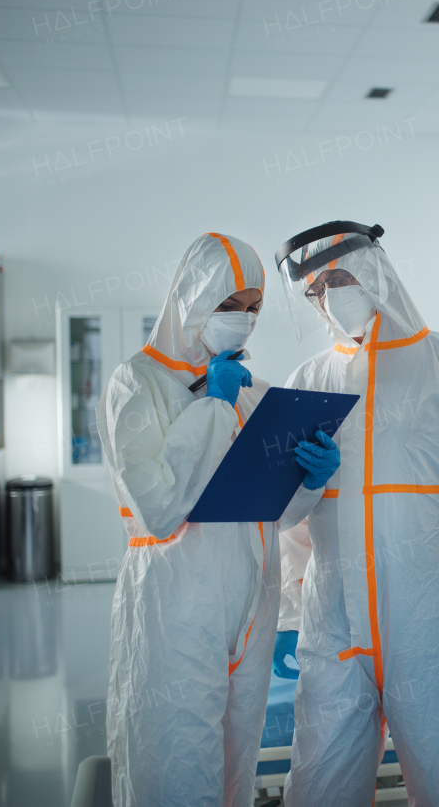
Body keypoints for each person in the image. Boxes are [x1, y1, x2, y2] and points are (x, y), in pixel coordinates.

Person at [271, 221, 439, 807]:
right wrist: (289, 614)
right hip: (334, 626)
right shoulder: (308, 382)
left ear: (374, 275)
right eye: (316, 290)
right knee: (317, 789)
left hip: (432, 625)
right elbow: (288, 521)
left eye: (338, 278)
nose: (328, 296)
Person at [96, 232, 339, 807]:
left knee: (236, 766)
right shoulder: (138, 383)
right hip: (178, 603)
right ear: (193, 298)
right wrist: (209, 406)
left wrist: (310, 480)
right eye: (231, 305)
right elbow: (158, 510)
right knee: (175, 763)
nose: (244, 320)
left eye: (254, 308)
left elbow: (273, 515)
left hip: (250, 602)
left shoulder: (249, 392)